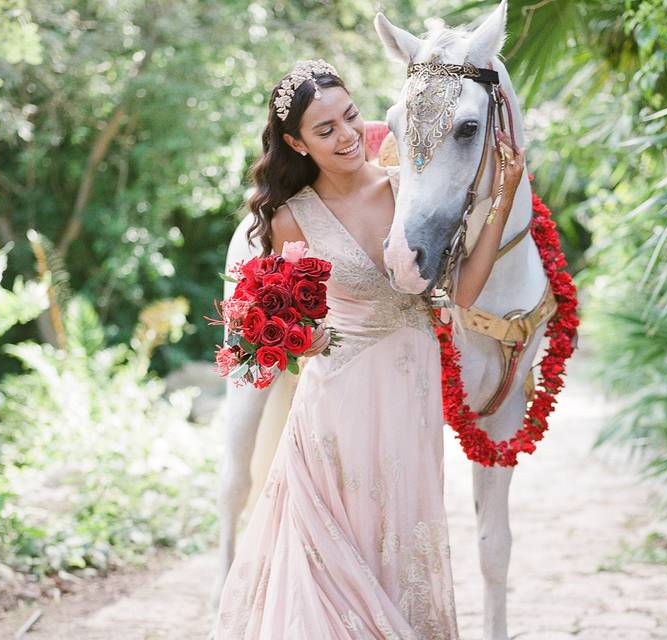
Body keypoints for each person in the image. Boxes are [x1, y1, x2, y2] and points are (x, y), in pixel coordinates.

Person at [213, 58, 524, 640]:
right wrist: (296, 339)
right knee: (329, 554)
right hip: (332, 408)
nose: (348, 136)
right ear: (295, 143)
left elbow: (461, 293)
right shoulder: (287, 220)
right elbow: (269, 334)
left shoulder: (409, 194)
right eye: (325, 130)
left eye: (351, 117)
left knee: (401, 535)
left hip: (408, 396)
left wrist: (503, 197)